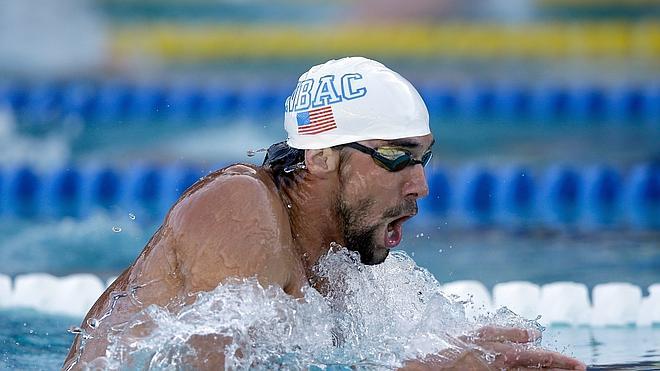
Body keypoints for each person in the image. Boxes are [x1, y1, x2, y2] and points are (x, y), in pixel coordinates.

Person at [63, 57, 585, 370]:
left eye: (425, 158)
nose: (421, 184)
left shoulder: (339, 267)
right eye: (398, 157)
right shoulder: (237, 205)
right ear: (321, 156)